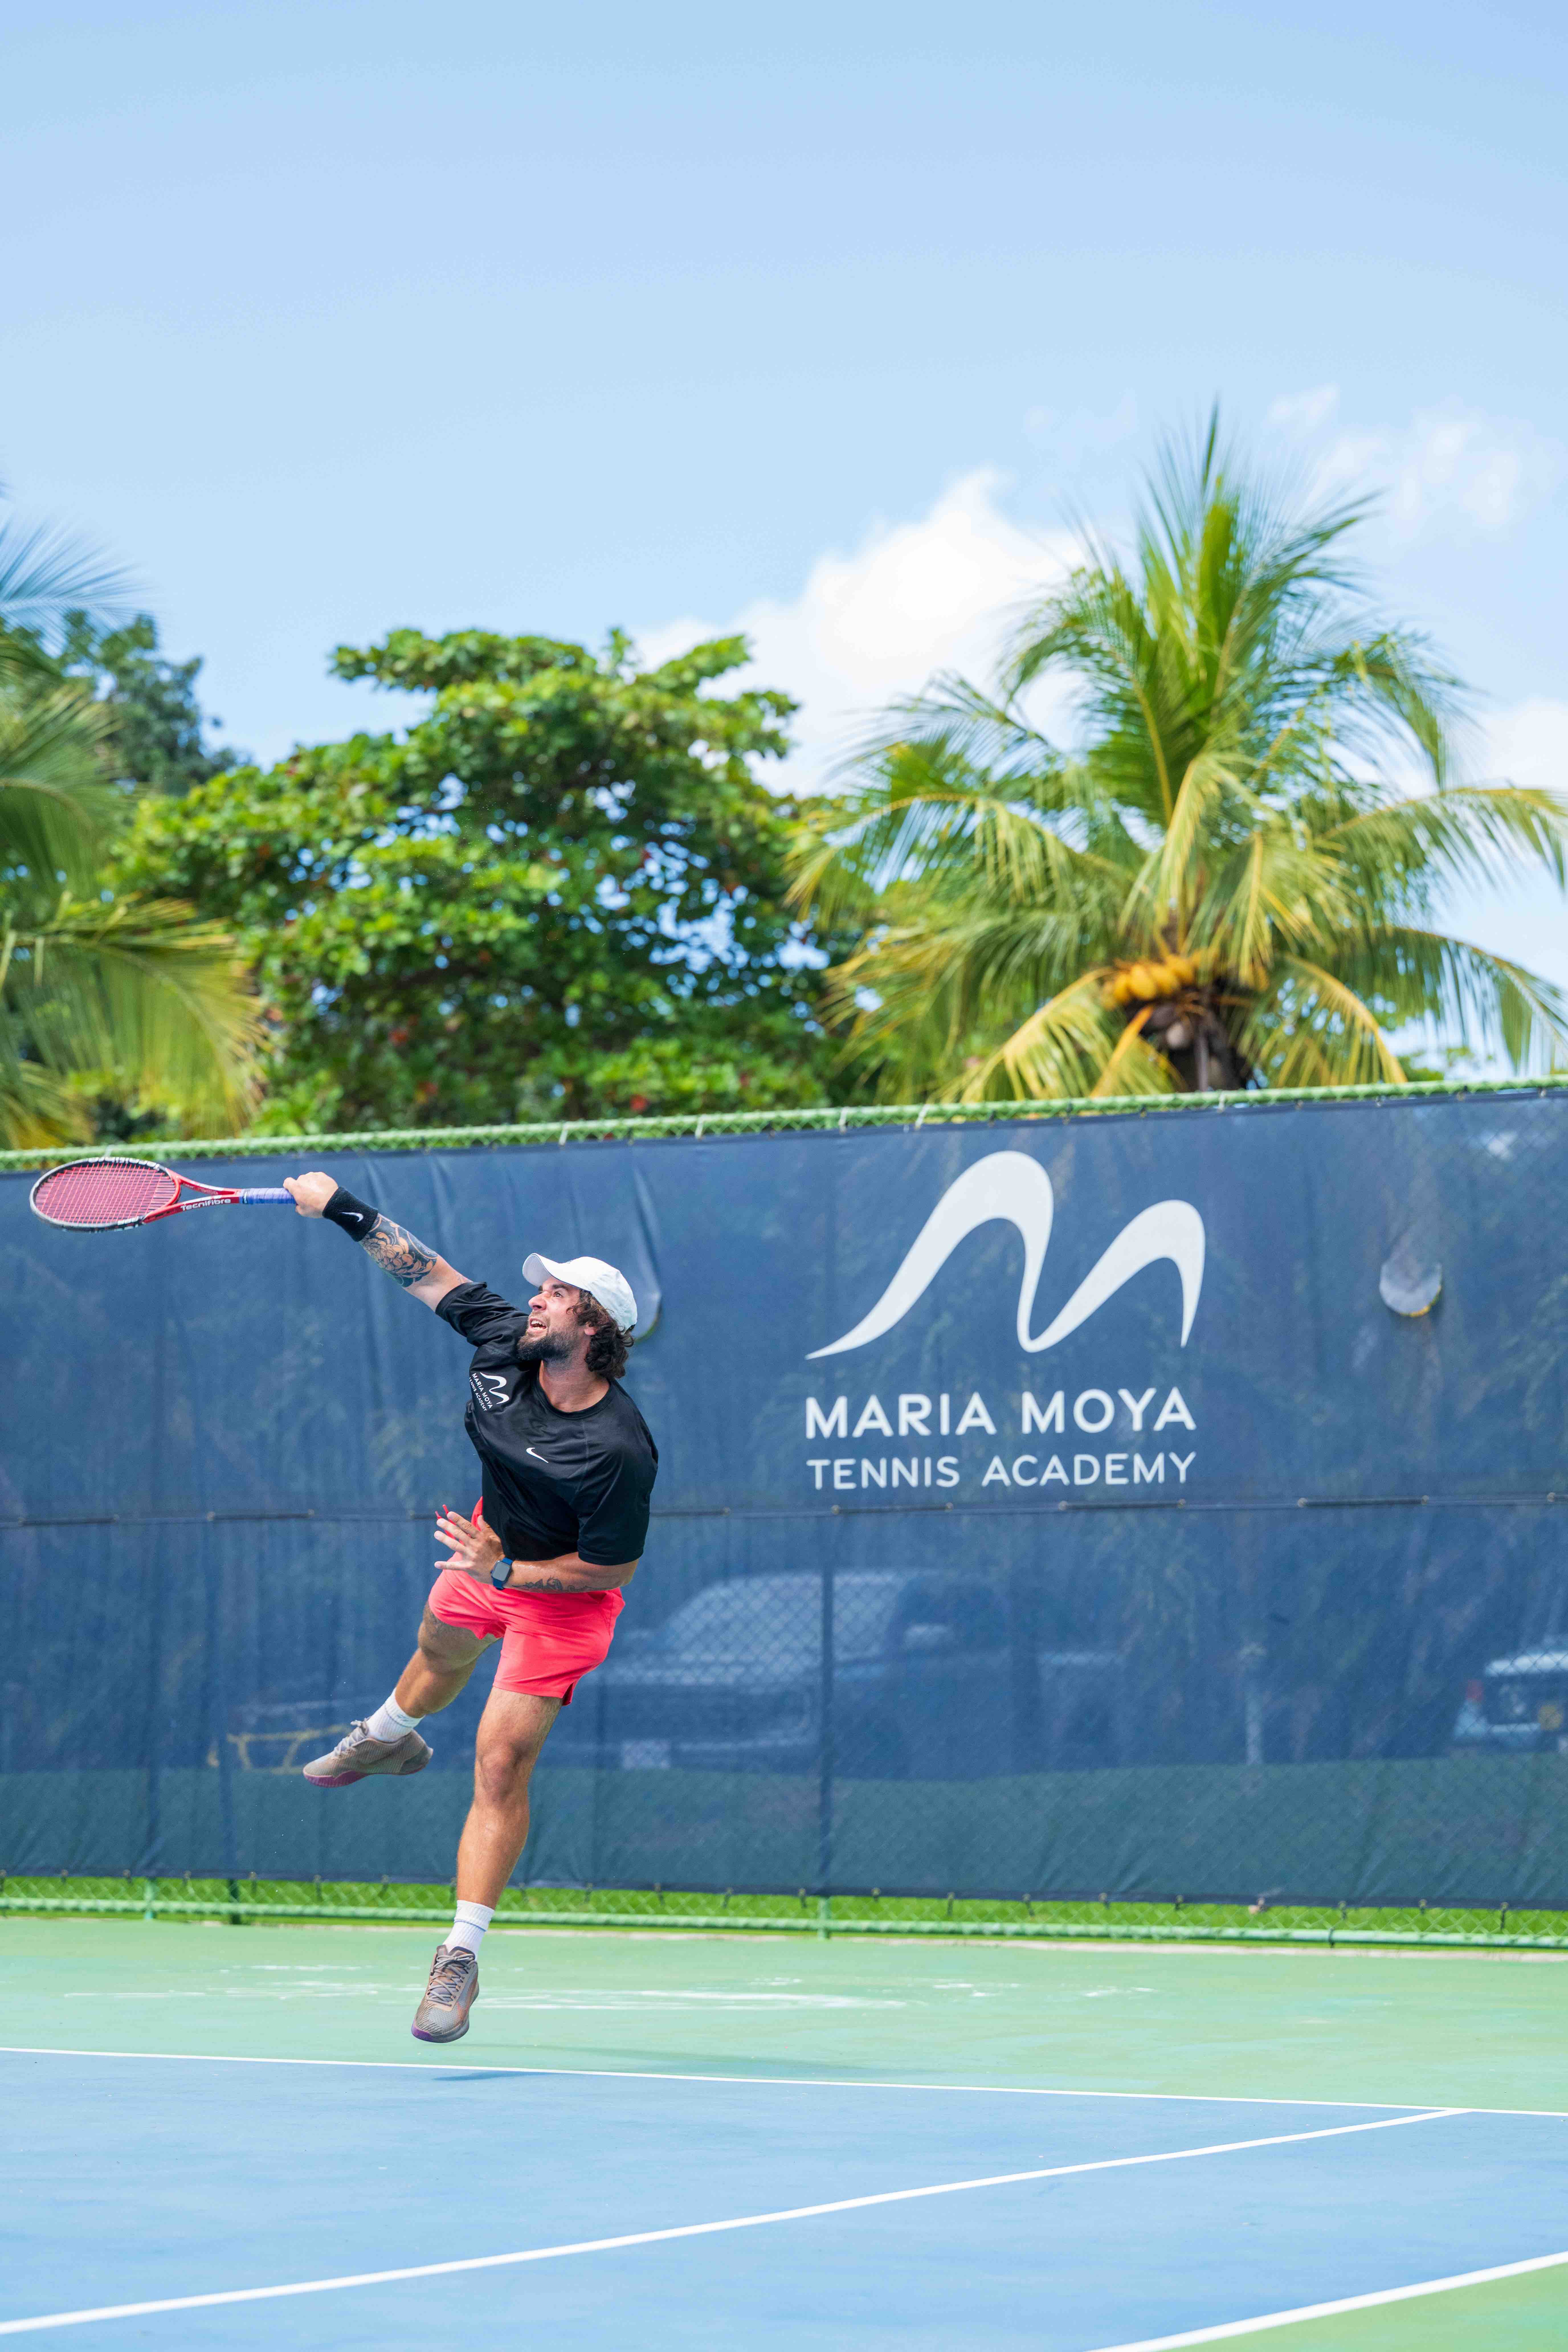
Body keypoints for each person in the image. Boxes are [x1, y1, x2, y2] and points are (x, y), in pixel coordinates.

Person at [283, 1171, 657, 2044]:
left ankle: (458, 1958)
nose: (537, 1299)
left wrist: (508, 1572)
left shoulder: (619, 1450)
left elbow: (612, 1574)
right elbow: (425, 1272)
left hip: (556, 1592)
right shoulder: (504, 1344)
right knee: (440, 1647)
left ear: (593, 1326)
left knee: (499, 1764)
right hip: (488, 1546)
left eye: (556, 1294)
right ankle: (387, 1734)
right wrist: (338, 1203)